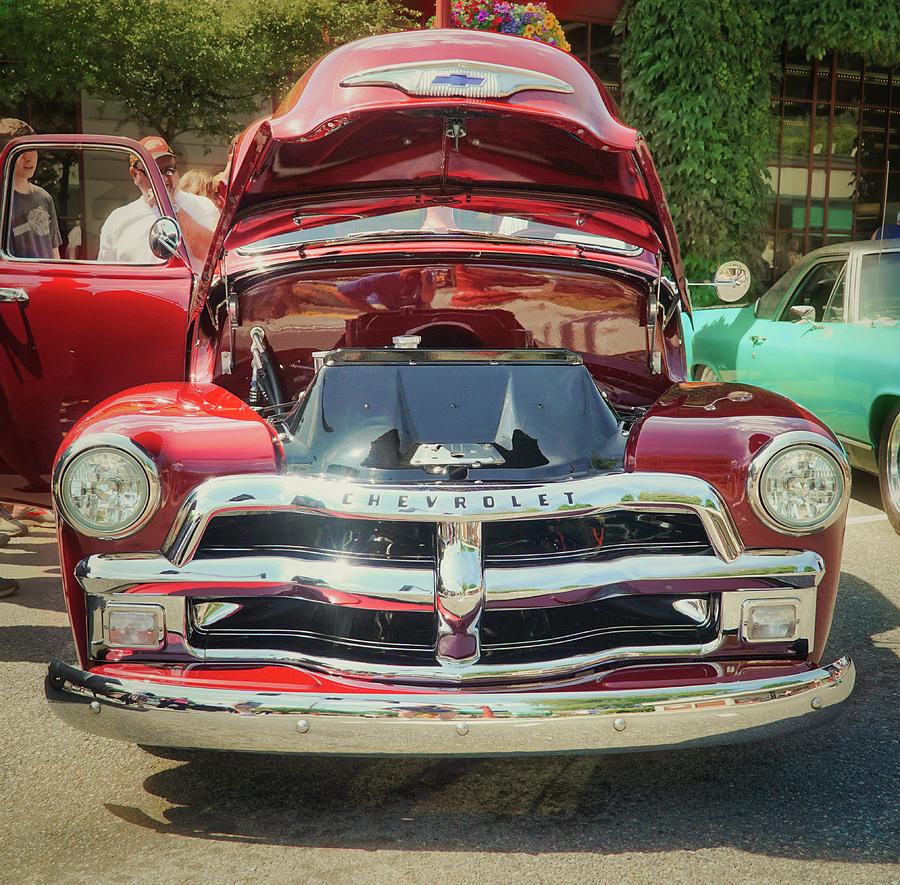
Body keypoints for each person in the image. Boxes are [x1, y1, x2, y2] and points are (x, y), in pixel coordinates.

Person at [98, 135, 218, 267]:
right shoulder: (118, 220)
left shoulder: (201, 205)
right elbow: (107, 276)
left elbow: (213, 256)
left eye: (169, 170)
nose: (164, 179)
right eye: (154, 172)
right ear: (134, 174)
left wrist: (173, 207)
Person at [0, 118, 62, 260]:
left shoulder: (44, 197)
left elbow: (54, 253)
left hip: (44, 279)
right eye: (21, 152)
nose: (29, 158)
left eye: (33, 149)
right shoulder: (3, 199)